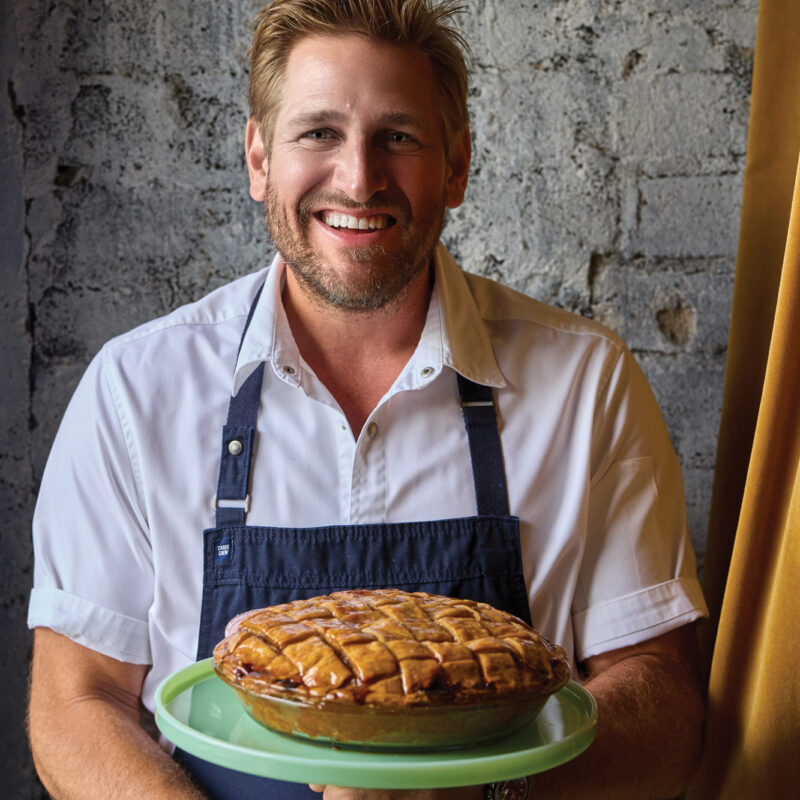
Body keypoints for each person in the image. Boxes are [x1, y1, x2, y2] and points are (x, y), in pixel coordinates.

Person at [27, 1, 708, 798]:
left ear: (455, 165)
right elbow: (76, 700)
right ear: (258, 158)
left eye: (399, 136)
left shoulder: (586, 383)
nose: (359, 178)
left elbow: (660, 694)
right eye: (318, 132)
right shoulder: (135, 389)